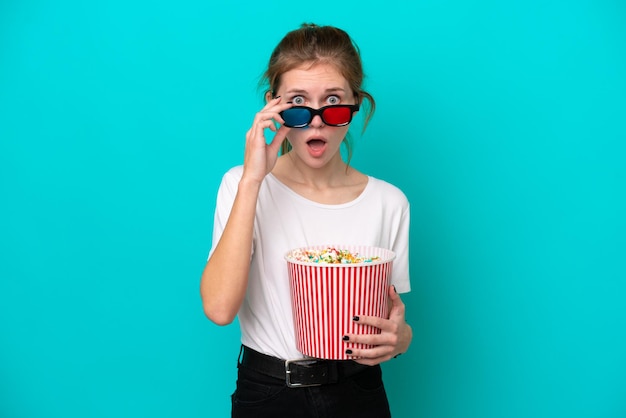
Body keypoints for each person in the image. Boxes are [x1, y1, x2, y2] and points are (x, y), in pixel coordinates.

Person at [200, 23, 412, 418]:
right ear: (274, 108)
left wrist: (402, 338)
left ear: (355, 105)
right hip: (268, 391)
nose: (316, 121)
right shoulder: (242, 184)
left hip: (359, 391)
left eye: (332, 101)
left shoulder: (389, 202)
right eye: (298, 103)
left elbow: (391, 316)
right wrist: (252, 180)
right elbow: (219, 308)